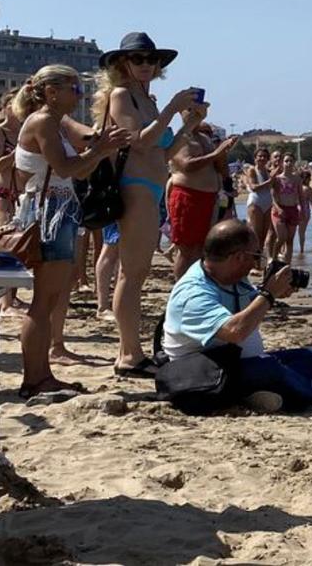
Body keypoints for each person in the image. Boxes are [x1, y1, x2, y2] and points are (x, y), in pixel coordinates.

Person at [163, 220, 312, 410]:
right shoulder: (193, 294)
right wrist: (269, 295)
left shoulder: (230, 277)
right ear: (238, 257)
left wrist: (275, 292)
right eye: (256, 256)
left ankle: (258, 394)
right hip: (204, 373)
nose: (257, 263)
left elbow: (252, 305)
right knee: (268, 368)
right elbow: (235, 332)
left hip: (235, 362)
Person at [13, 66, 129, 395]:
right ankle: (35, 379)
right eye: (73, 89)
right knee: (44, 301)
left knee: (49, 299)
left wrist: (101, 150)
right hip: (50, 212)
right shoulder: (44, 122)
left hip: (58, 210)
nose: (78, 96)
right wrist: (100, 150)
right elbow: (66, 168)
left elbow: (76, 171)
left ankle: (40, 376)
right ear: (51, 91)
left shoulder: (53, 124)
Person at [95, 32, 206, 378]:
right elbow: (139, 143)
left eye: (151, 60)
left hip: (152, 186)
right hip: (136, 187)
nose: (146, 65)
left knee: (137, 273)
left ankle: (131, 351)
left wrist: (189, 124)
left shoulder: (149, 99)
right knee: (131, 272)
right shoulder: (122, 95)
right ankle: (129, 354)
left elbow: (165, 152)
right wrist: (174, 108)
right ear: (123, 63)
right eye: (138, 59)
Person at [169, 121, 236, 279]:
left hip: (208, 198)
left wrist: (222, 153)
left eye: (210, 131)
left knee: (202, 247)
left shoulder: (205, 140)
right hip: (188, 195)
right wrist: (215, 153)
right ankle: (181, 288)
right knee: (186, 250)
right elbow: (186, 165)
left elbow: (221, 170)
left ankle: (195, 285)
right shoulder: (182, 137)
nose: (208, 133)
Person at [0, 89, 26, 315]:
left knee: (19, 247)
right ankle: (5, 302)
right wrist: (18, 152)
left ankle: (11, 298)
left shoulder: (25, 131)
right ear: (6, 106)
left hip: (20, 195)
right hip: (0, 192)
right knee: (7, 243)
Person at [243, 148, 275, 270]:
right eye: (259, 156)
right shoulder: (252, 170)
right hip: (256, 203)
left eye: (264, 157)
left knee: (263, 235)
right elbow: (254, 187)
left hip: (268, 203)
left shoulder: (268, 171)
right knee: (255, 235)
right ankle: (251, 263)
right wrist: (269, 182)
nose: (262, 159)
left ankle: (258, 263)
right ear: (255, 158)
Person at [270, 152, 303, 265]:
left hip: (292, 209)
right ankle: (273, 259)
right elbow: (273, 196)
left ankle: (287, 265)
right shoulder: (278, 179)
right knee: (282, 237)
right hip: (279, 210)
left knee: (290, 239)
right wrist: (278, 208)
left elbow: (301, 196)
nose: (288, 163)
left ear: (294, 163)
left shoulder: (297, 179)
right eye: (286, 161)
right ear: (282, 163)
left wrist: (302, 210)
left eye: (291, 161)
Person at [296, 170, 312, 255]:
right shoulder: (308, 189)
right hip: (305, 210)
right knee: (302, 232)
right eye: (309, 178)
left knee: (290, 231)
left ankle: (285, 249)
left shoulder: (297, 187)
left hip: (295, 209)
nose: (310, 180)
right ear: (305, 179)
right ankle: (301, 249)